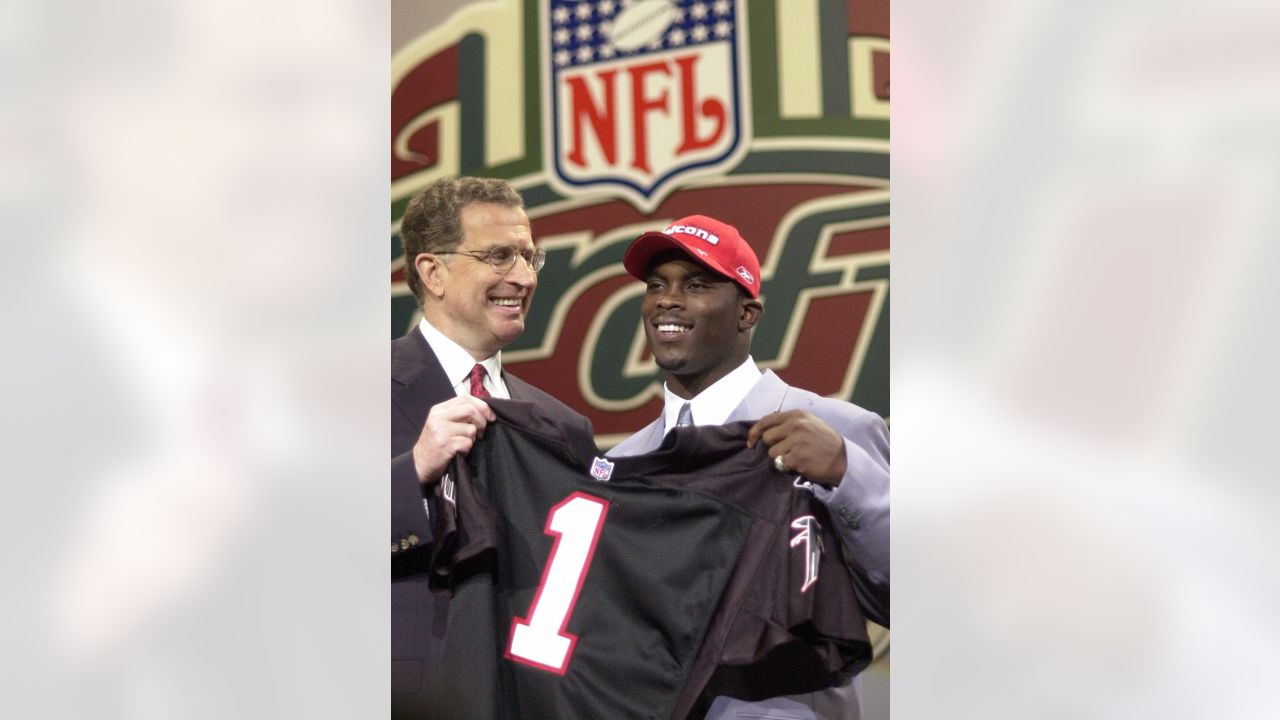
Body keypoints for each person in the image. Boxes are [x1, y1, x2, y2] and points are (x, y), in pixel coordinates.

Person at [607, 214, 890, 720]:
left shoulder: (836, 429)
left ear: (747, 313)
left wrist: (847, 474)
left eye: (696, 285)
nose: (667, 300)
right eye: (656, 286)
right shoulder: (622, 465)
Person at [390, 176, 592, 718]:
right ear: (433, 272)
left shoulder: (564, 427)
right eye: (499, 256)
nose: (523, 277)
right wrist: (413, 471)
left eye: (529, 257)